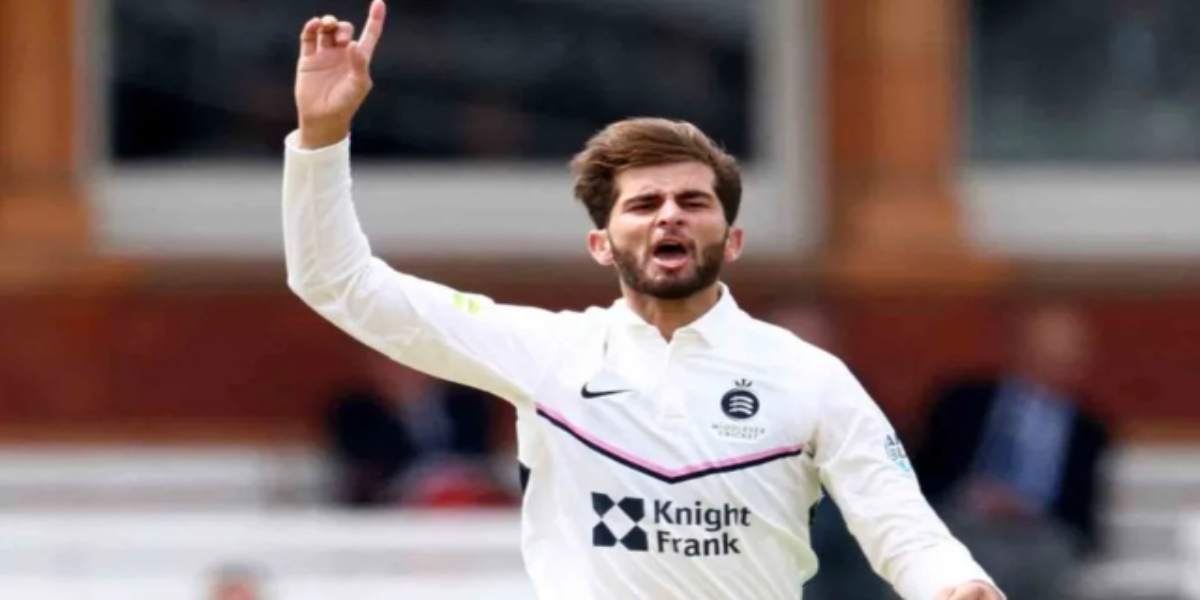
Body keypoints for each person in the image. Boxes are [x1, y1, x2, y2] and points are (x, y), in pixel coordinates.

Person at [282, 2, 1004, 598]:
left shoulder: (808, 375)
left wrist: (958, 584)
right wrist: (322, 136)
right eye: (644, 204)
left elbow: (901, 525)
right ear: (601, 245)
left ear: (733, 240)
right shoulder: (546, 351)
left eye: (694, 201)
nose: (669, 217)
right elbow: (337, 282)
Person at [911, 301, 1112, 599]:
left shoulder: (1088, 430)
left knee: (1045, 563)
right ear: (1020, 350)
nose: (1055, 366)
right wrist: (977, 496)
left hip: (1042, 534)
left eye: (1066, 357)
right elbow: (923, 473)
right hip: (962, 522)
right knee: (966, 562)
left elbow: (1082, 511)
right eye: (1045, 353)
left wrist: (1024, 507)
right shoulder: (963, 401)